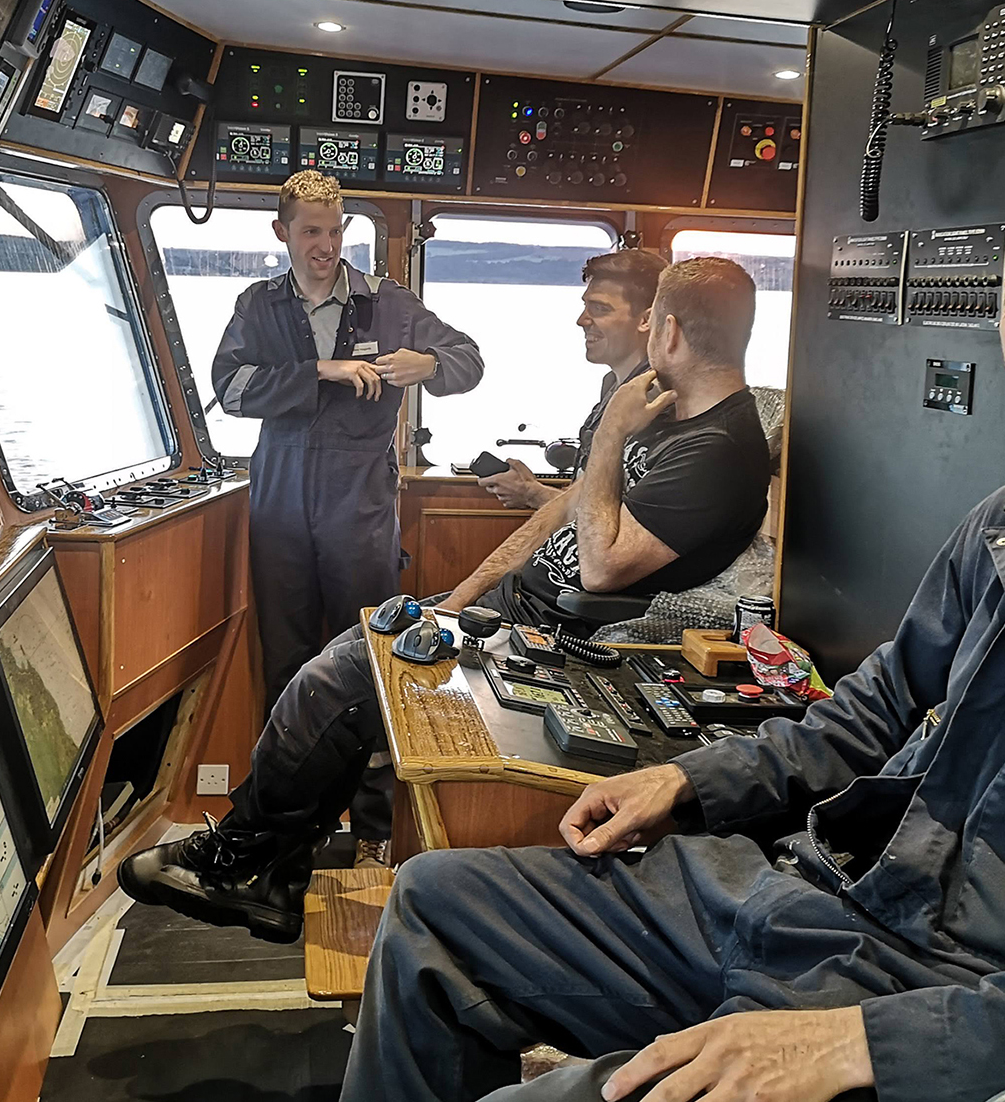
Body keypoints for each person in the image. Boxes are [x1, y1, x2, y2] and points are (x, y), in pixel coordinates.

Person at [336, 159, 1005, 1102]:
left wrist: (860, 1044)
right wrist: (695, 782)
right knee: (433, 904)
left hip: (963, 1005)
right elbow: (878, 705)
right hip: (824, 901)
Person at [121, 257, 774, 941]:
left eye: (608, 310)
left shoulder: (720, 446)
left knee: (331, 682)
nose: (587, 318)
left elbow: (604, 568)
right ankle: (276, 872)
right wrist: (456, 601)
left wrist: (610, 433)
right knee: (348, 655)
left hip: (573, 639)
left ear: (665, 329)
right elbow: (558, 521)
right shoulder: (661, 411)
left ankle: (242, 861)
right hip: (517, 609)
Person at [212, 170, 483, 708]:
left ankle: (370, 788)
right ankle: (287, 788)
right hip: (279, 498)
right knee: (285, 655)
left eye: (335, 231)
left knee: (367, 653)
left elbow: (469, 361)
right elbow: (231, 391)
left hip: (359, 500)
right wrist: (319, 370)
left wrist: (427, 363)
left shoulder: (390, 303)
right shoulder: (258, 306)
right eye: (312, 232)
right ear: (281, 232)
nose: (327, 246)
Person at [478, 249, 667, 511]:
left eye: (600, 309)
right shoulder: (612, 385)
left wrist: (533, 494)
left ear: (646, 319)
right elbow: (596, 494)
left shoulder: (655, 401)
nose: (582, 320)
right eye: (585, 306)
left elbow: (624, 522)